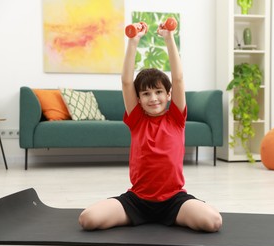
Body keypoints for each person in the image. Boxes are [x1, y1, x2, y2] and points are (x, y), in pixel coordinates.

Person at [78, 20, 222, 233]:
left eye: (158, 92)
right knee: (88, 219)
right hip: (137, 200)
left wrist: (169, 38)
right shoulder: (136, 119)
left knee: (213, 222)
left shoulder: (176, 117)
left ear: (168, 95)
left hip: (174, 200)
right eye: (146, 94)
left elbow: (179, 78)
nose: (153, 98)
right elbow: (127, 82)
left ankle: (172, 216)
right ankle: (140, 218)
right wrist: (133, 42)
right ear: (139, 98)